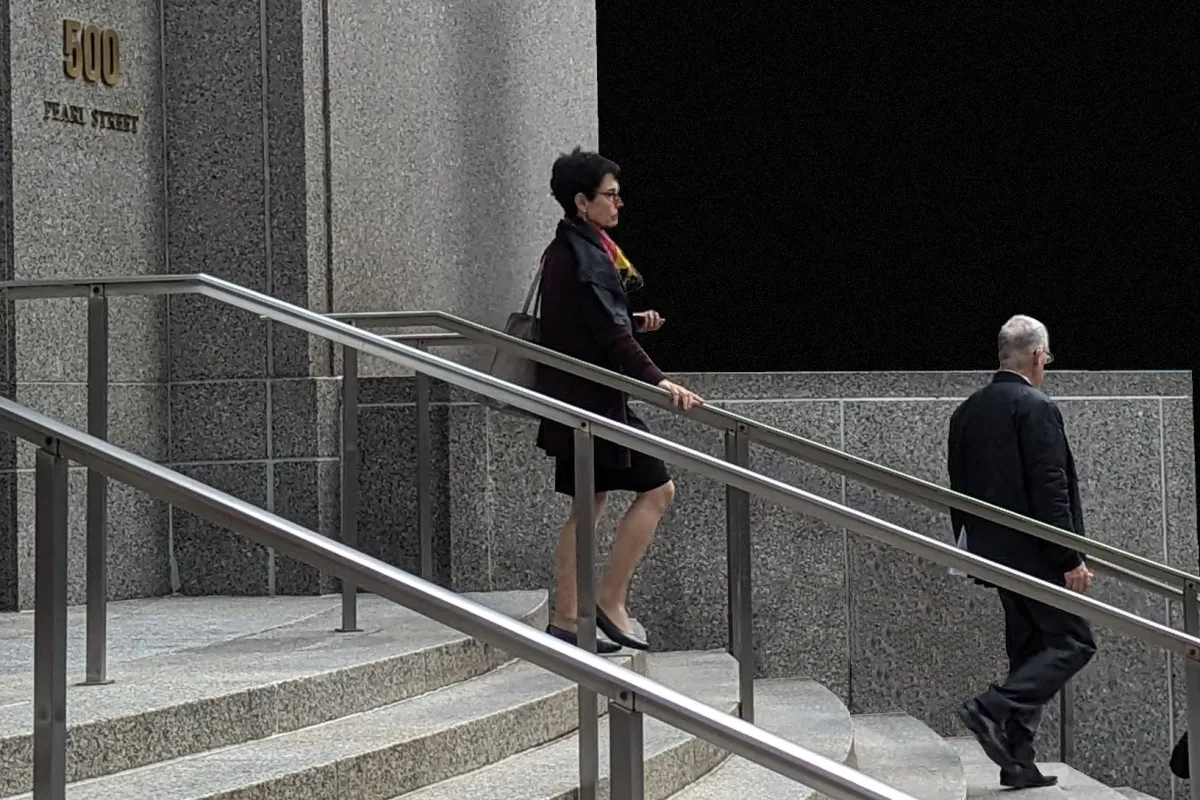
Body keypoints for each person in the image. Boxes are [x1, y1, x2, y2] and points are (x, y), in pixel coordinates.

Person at [533, 147, 703, 654]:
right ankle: (606, 601)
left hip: (580, 398)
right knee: (656, 489)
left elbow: (595, 320)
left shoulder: (571, 248)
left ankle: (570, 617)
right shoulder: (586, 255)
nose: (619, 203)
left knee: (590, 504)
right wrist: (659, 381)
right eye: (609, 195)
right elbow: (609, 334)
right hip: (592, 402)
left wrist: (632, 319)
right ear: (581, 202)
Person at [947, 314, 1098, 789]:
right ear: (1036, 356)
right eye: (1046, 357)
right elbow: (1051, 488)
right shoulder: (1035, 406)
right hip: (1037, 554)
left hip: (993, 554)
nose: (1045, 365)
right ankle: (990, 708)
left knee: (1031, 649)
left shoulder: (967, 411)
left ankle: (1017, 760)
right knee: (1074, 643)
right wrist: (1070, 556)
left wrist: (972, 550)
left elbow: (958, 489)